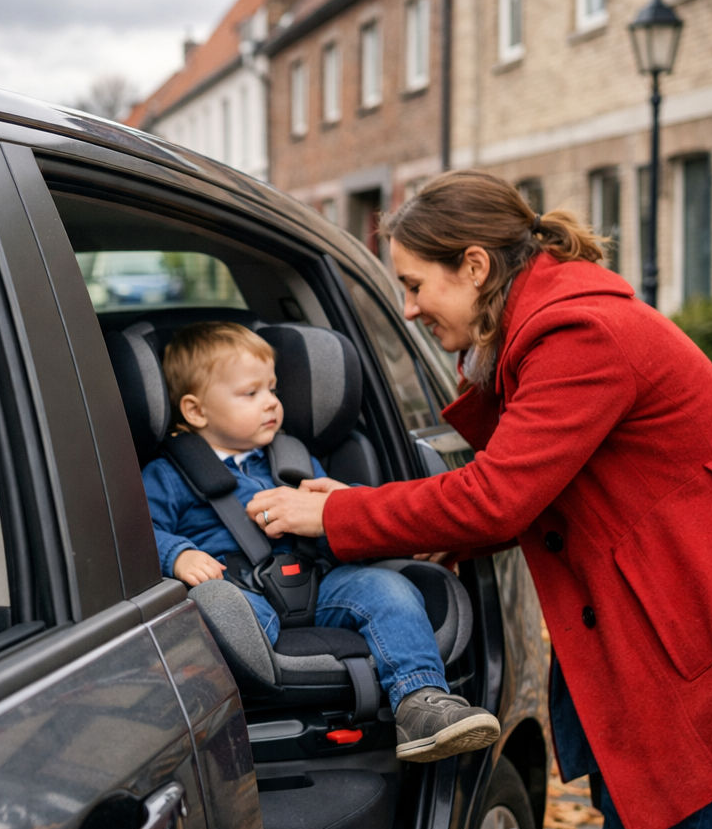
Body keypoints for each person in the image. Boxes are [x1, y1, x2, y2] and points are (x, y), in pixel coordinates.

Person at [248, 168, 712, 829]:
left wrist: (337, 515)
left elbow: (499, 495)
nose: (408, 308)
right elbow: (536, 481)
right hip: (666, 627)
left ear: (476, 266)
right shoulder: (541, 327)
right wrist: (410, 521)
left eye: (416, 285)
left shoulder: (578, 334)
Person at [144, 320, 500, 763]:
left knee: (388, 590)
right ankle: (216, 703)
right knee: (222, 609)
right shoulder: (168, 474)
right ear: (196, 411)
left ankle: (421, 701)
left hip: (317, 581)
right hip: (236, 588)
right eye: (250, 393)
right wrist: (178, 554)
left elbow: (335, 523)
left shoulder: (293, 458)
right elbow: (140, 534)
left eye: (272, 389)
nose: (272, 403)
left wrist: (336, 516)